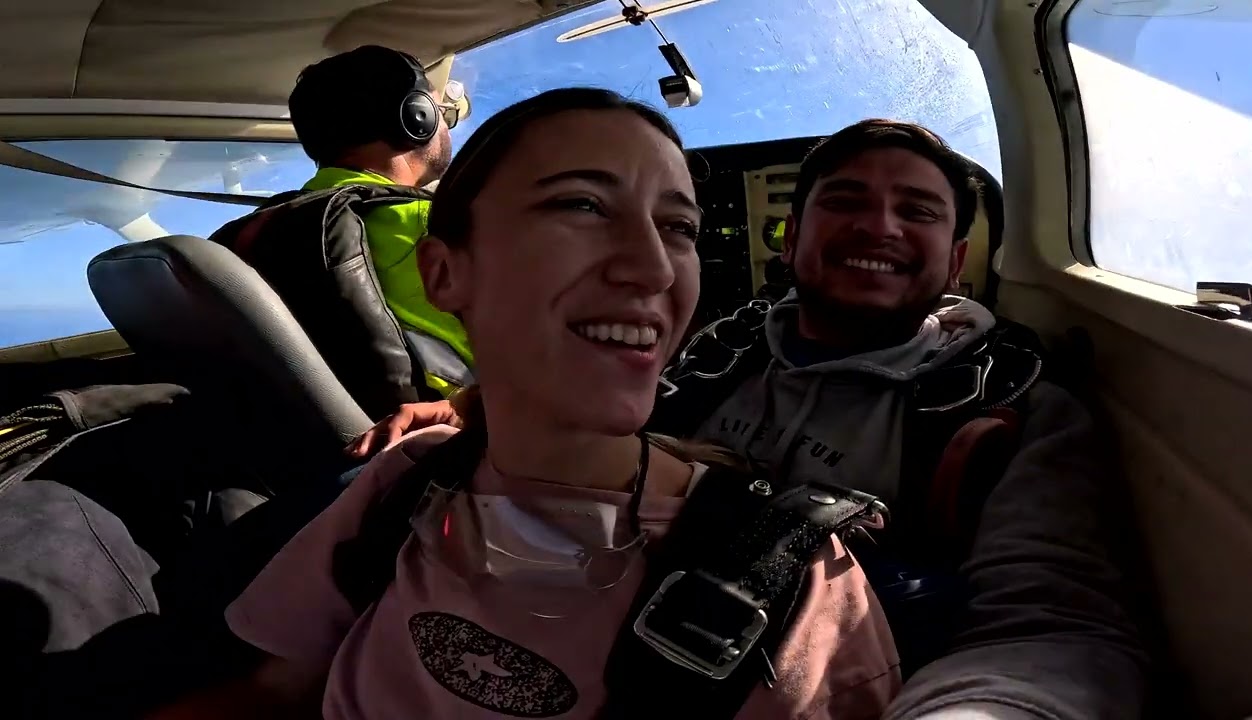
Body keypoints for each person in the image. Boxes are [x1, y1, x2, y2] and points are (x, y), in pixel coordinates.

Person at [350, 118, 1148, 718]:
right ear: (791, 236)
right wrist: (462, 406)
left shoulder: (1003, 413)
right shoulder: (708, 354)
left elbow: (1052, 632)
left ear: (953, 260)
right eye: (845, 201)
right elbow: (581, 410)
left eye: (919, 211)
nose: (880, 227)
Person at [144, 89, 902, 720]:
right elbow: (272, 691)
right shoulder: (404, 483)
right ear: (444, 274)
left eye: (679, 227)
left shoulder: (795, 582)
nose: (651, 268)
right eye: (581, 205)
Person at [289, 44, 473, 397]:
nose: (446, 125)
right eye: (442, 112)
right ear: (417, 117)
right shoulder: (435, 225)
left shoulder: (285, 225)